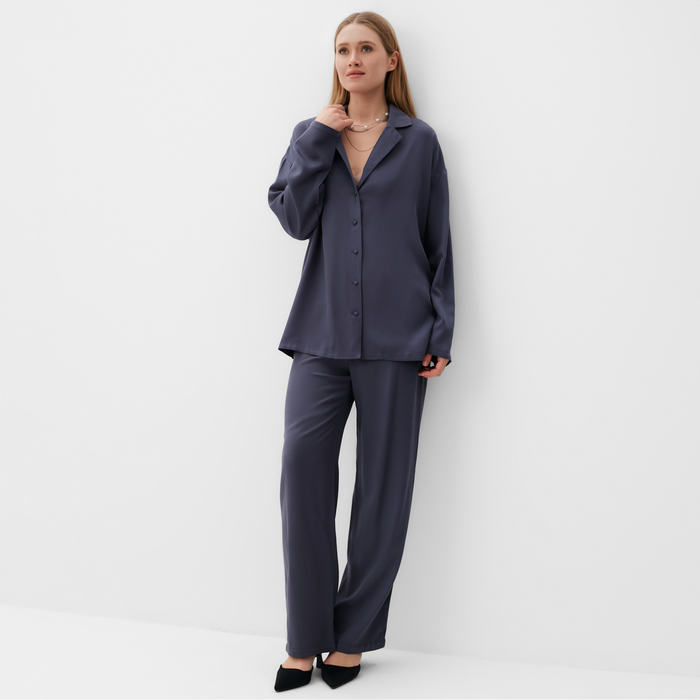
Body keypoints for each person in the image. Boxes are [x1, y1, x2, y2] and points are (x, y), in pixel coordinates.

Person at [267, 11, 455, 692]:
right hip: (320, 337)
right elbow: (293, 219)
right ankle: (304, 638)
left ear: (390, 60)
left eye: (366, 48)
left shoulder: (419, 142)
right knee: (302, 472)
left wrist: (440, 332)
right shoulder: (312, 133)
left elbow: (437, 240)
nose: (353, 58)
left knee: (383, 491)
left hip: (399, 339)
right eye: (343, 49)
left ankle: (352, 638)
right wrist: (319, 137)